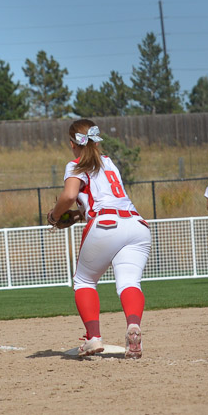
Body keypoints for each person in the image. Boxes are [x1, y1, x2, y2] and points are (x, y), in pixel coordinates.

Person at [47, 119, 151, 359]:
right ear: (96, 141)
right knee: (129, 282)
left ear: (72, 144)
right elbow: (106, 199)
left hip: (106, 225)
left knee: (84, 281)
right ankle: (133, 326)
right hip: (137, 225)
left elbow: (70, 195)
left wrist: (55, 215)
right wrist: (77, 215)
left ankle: (93, 337)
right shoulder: (109, 162)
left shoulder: (75, 165)